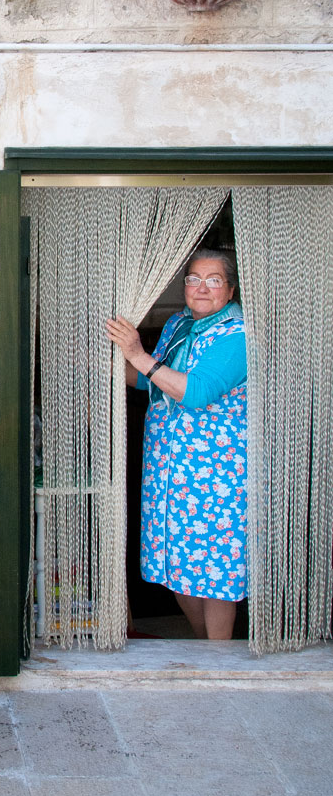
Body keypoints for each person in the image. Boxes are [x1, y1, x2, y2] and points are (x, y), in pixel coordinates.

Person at [105, 249, 247, 640]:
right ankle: (207, 649)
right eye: (193, 279)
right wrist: (104, 365)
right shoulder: (179, 324)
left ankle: (218, 659)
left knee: (215, 572)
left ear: (230, 290)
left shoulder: (238, 335)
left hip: (215, 474)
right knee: (179, 569)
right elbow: (156, 381)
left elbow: (197, 391)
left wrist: (137, 353)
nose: (201, 287)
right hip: (169, 472)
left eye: (214, 279)